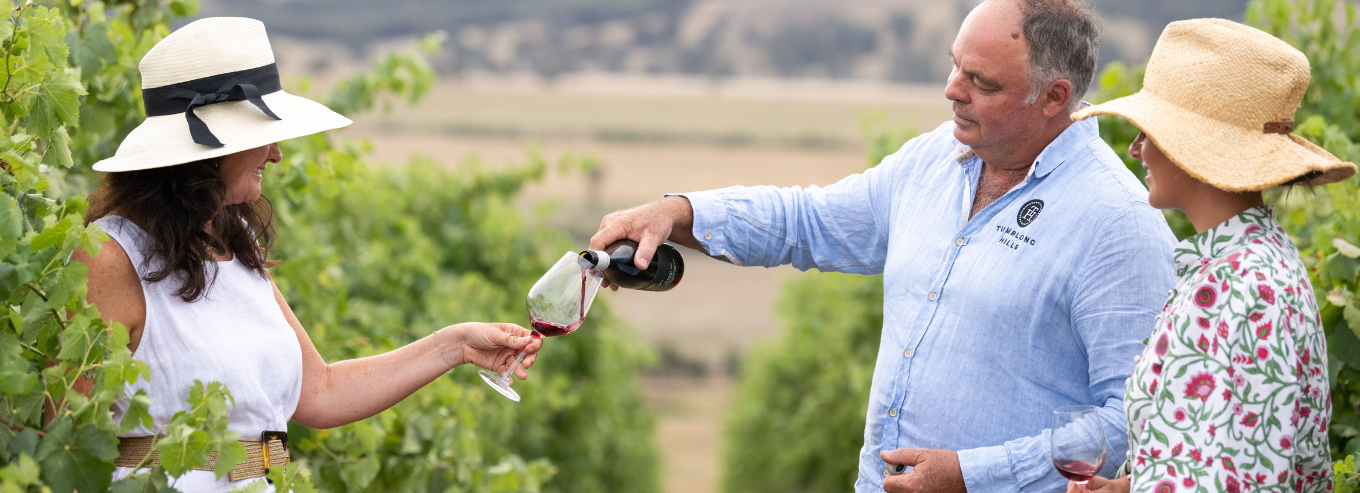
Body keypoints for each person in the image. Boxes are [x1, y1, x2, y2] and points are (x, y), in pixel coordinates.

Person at [591, 0, 1177, 491]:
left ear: (1054, 97)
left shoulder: (1117, 224)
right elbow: (808, 221)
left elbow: (1131, 419)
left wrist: (971, 475)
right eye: (955, 68)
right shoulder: (931, 162)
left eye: (982, 82)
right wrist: (681, 212)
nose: (952, 91)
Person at [74, 18, 542, 491]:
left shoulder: (232, 239)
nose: (276, 154)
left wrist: (454, 345)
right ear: (205, 151)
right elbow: (67, 442)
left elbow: (319, 392)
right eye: (260, 135)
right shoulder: (109, 260)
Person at [1063, 18, 1353, 493]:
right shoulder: (1234, 267)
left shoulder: (1249, 286)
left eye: (1150, 132)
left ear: (1190, 151)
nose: (1136, 148)